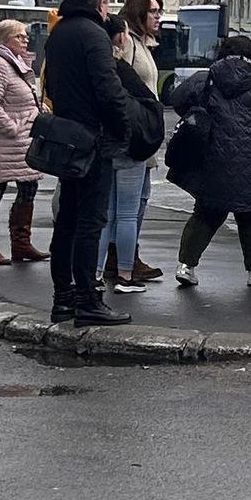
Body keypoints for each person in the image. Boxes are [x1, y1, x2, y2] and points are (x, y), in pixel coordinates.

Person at [42, 0, 136, 326]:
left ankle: (62, 299)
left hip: (67, 138)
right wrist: (122, 128)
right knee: (90, 223)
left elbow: (50, 83)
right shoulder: (94, 34)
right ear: (101, 5)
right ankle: (88, 300)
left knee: (66, 221)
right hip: (94, 139)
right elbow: (108, 89)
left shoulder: (60, 33)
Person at [168, 34, 251, 287]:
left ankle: (186, 266)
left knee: (206, 214)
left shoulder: (204, 79)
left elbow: (178, 100)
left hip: (211, 162)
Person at [97, 15, 166, 293]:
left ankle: (96, 273)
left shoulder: (95, 67)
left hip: (102, 146)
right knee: (126, 214)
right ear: (121, 37)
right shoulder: (122, 68)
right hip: (129, 148)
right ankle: (125, 275)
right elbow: (148, 102)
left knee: (105, 215)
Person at [0, 19, 47, 267]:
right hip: (7, 142)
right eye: (19, 36)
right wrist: (12, 128)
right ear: (5, 39)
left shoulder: (19, 63)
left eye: (26, 36)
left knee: (29, 188)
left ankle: (21, 243)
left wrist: (39, 108)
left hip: (23, 141)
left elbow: (23, 98)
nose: (25, 40)